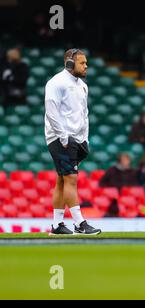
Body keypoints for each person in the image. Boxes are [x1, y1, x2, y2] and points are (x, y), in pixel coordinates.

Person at [45, 48, 101, 235]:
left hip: (76, 139)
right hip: (60, 138)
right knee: (71, 179)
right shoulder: (56, 82)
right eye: (82, 63)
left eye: (86, 63)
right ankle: (79, 223)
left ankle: (57, 225)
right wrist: (62, 137)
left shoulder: (83, 86)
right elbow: (51, 111)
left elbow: (84, 114)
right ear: (69, 63)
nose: (86, 66)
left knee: (62, 180)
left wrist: (84, 138)